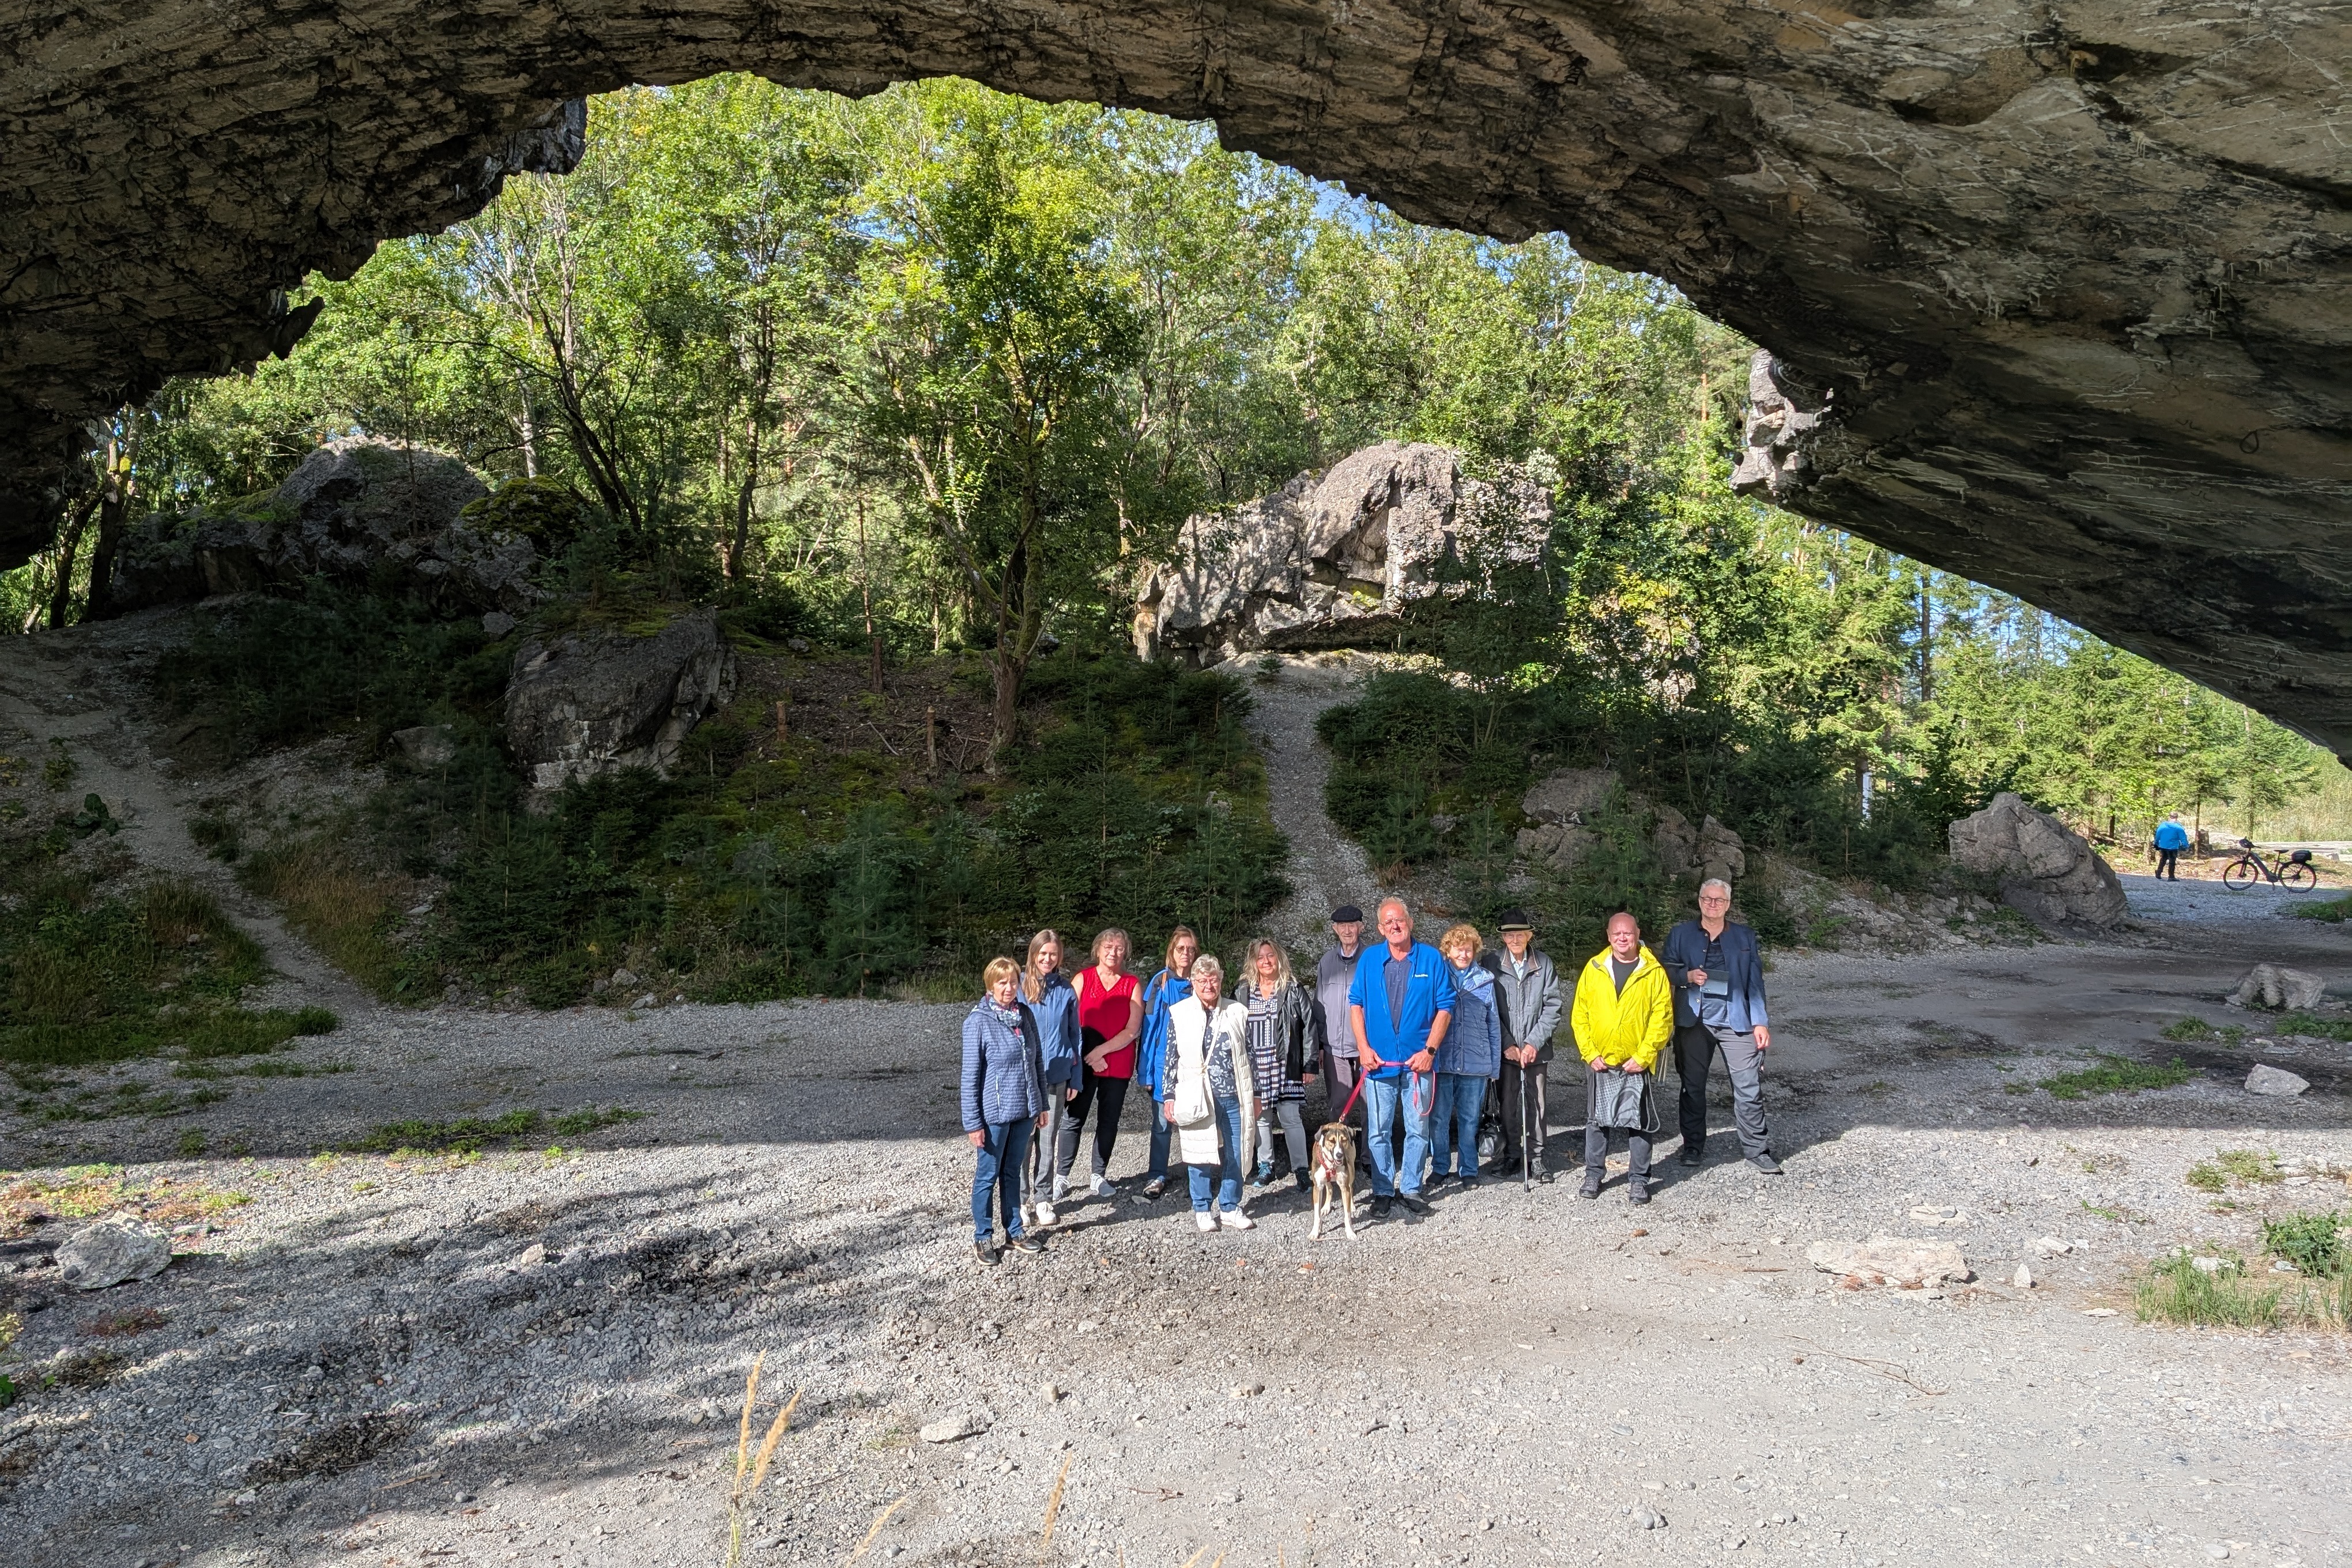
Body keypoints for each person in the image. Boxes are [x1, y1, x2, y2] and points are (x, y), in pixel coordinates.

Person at [1660, 879, 1780, 1174]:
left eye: (1719, 900)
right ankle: (1692, 1146)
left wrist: (1760, 1021)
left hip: (1736, 1021)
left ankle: (1757, 1150)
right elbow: (1665, 970)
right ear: (1699, 901)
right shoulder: (1680, 934)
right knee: (1692, 1087)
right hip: (1693, 1021)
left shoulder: (1744, 936)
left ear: (1728, 904)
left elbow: (1755, 982)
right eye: (1707, 899)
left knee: (1749, 1087)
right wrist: (1686, 976)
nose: (1713, 904)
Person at [1347, 897, 1456, 1219]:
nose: (1395, 926)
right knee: (1378, 1130)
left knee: (1417, 1129)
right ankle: (1382, 1190)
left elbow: (1445, 1007)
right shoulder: (1370, 960)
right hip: (1378, 1064)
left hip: (1417, 1064)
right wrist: (1363, 1049)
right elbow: (1356, 1005)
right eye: (1388, 922)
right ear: (1381, 928)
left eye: (1400, 920)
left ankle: (1410, 1187)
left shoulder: (1431, 960)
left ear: (1410, 922)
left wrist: (1430, 1051)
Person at [1570, 911, 1672, 1205]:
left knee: (1638, 1124)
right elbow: (1580, 1015)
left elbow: (1662, 1018)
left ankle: (1639, 1181)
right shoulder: (1595, 968)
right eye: (1617, 934)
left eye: (1628, 933)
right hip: (1600, 1061)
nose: (1623, 939)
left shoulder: (1653, 971)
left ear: (1638, 933)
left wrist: (1644, 1056)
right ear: (1609, 935)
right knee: (1596, 1121)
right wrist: (1590, 1053)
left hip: (1635, 1063)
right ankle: (1593, 1174)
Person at [962, 957, 1049, 1263]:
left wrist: (1041, 1104)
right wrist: (973, 1123)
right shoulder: (978, 1022)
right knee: (988, 1175)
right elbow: (970, 1077)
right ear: (991, 985)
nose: (1009, 988)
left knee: (1012, 1171)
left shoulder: (1024, 1014)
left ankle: (1015, 1231)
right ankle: (983, 1237)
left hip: (1025, 1110)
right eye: (1002, 982)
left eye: (1013, 982)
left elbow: (1037, 1062)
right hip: (994, 1115)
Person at [1163, 955, 1258, 1232]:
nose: (1208, 985)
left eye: (1213, 979)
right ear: (1193, 982)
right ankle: (1202, 1207)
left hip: (1233, 1093)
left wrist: (1257, 1093)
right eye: (1202, 980)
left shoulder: (1238, 1011)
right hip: (1197, 1094)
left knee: (1238, 1150)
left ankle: (1230, 1205)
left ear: (1221, 979)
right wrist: (1169, 1095)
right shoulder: (1179, 1013)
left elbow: (1250, 1055)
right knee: (1198, 1151)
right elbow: (1170, 1057)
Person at [1057, 928, 1143, 1201]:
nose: (1113, 952)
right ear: (1098, 949)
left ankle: (1098, 1174)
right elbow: (1068, 1021)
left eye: (1119, 948)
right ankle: (1061, 1176)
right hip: (1083, 1060)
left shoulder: (1132, 984)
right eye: (1108, 946)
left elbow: (1132, 1029)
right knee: (1073, 1118)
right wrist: (1087, 1055)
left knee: (1109, 1119)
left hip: (1116, 1060)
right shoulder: (1082, 979)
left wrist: (1101, 1052)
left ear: (1125, 952)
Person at [1483, 909, 1563, 1182]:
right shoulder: (1491, 963)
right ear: (1503, 937)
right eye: (1509, 934)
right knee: (1508, 1104)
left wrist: (1532, 1043)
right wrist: (1507, 1043)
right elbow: (1488, 1007)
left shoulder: (1543, 963)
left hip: (1536, 1051)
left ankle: (1537, 1158)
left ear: (1529, 935)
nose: (1515, 939)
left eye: (1520, 934)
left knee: (1537, 1103)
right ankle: (1512, 1155)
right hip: (1506, 1052)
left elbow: (1553, 1006)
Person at [1238, 936, 1317, 1192]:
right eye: (1260, 957)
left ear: (1279, 958)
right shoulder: (1243, 991)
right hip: (1255, 1065)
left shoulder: (1292, 988)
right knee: (1261, 1117)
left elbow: (1309, 1027)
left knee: (1291, 1118)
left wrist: (1309, 1064)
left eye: (1270, 956)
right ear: (1254, 962)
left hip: (1285, 1063)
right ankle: (1265, 1166)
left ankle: (1302, 1169)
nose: (1266, 961)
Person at [1430, 922, 1500, 1189]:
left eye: (1468, 950)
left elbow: (1493, 1024)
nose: (1464, 955)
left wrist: (1494, 1067)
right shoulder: (1438, 976)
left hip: (1476, 1063)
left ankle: (1469, 1169)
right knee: (1438, 1118)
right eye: (1459, 949)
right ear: (1448, 950)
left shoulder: (1485, 980)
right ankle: (1439, 1167)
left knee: (1470, 1119)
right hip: (1443, 1061)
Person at [1020, 929, 1081, 1228]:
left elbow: (1075, 1036)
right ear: (1034, 954)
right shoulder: (1017, 987)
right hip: (1024, 1081)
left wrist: (1076, 1077)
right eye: (1042, 953)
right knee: (1022, 1141)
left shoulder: (1067, 991)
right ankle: (1019, 1200)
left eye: (1053, 954)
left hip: (1057, 1077)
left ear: (1059, 957)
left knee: (1047, 1139)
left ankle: (1044, 1198)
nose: (1047, 959)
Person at [1134, 927, 1199, 1201]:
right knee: (1162, 1124)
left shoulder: (1202, 981)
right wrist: (1146, 1071)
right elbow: (1148, 1029)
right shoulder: (1159, 982)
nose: (1186, 954)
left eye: (1191, 949)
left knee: (1197, 1120)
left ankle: (1198, 1176)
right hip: (1164, 1065)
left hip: (1195, 1065)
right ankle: (1157, 1174)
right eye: (1181, 949)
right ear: (1172, 952)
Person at [1314, 905, 1371, 1159]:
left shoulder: (1372, 959)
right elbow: (1319, 1004)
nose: (1348, 931)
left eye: (1353, 925)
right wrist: (1319, 1045)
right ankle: (1335, 1158)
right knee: (1338, 1107)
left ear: (1361, 927)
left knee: (1373, 1107)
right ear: (1335, 929)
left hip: (1367, 1047)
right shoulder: (1327, 962)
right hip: (1335, 1049)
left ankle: (1371, 1158)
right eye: (1342, 926)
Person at [2154, 812, 2190, 881]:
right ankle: (2171, 877)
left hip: (2164, 845)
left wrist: (2156, 842)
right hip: (2173, 846)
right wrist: (2185, 845)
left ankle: (2158, 873)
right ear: (2177, 817)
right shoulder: (2179, 827)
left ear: (2170, 817)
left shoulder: (2163, 825)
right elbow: (2183, 838)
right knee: (2172, 861)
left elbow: (2158, 834)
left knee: (2163, 859)